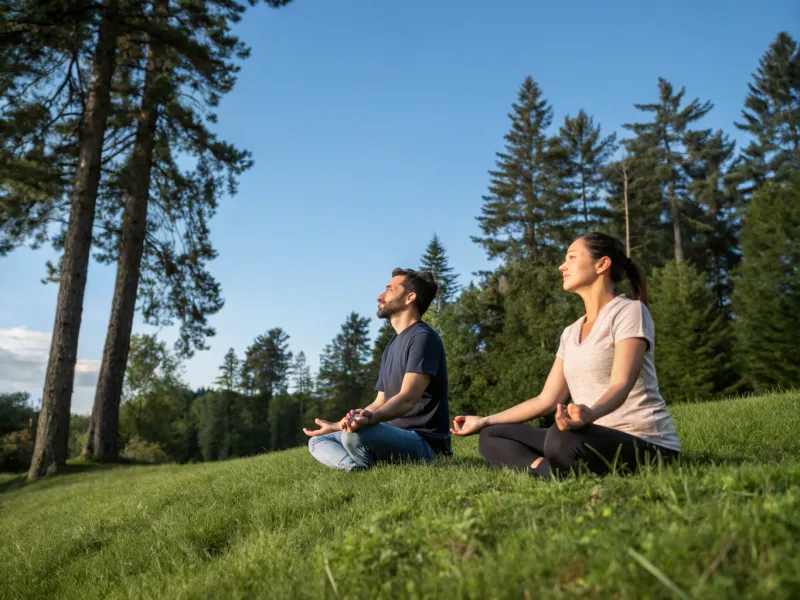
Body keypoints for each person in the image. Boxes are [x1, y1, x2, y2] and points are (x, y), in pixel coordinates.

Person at [451, 232, 680, 477]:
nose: (562, 266)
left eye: (571, 257)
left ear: (602, 264)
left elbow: (621, 383)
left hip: (643, 442)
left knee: (561, 439)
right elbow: (545, 400)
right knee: (492, 435)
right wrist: (484, 420)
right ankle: (551, 472)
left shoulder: (629, 312)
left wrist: (590, 414)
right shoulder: (570, 333)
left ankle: (554, 471)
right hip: (587, 437)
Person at [304, 268, 451, 471]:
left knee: (356, 436)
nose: (380, 296)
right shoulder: (392, 344)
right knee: (319, 441)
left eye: (389, 289)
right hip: (389, 433)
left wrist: (370, 420)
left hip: (423, 442)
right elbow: (380, 402)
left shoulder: (423, 338)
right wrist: (345, 423)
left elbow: (408, 398)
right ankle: (355, 468)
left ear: (410, 297)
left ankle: (361, 459)